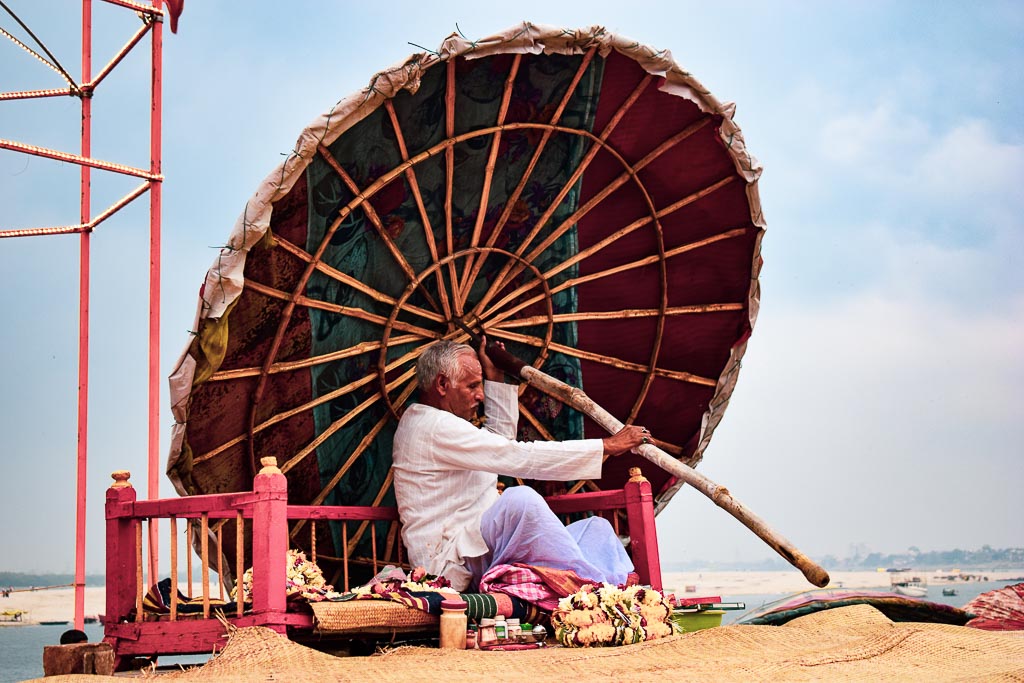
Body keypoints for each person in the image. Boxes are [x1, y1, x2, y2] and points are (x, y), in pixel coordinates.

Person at [392, 338, 650, 591]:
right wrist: (607, 446)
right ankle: (595, 587)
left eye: (481, 385)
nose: (480, 395)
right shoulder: (432, 425)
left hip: (482, 547)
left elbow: (500, 445)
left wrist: (496, 378)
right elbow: (515, 456)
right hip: (451, 561)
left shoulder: (439, 423)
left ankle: (597, 583)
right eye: (472, 386)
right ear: (442, 384)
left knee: (597, 530)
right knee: (521, 501)